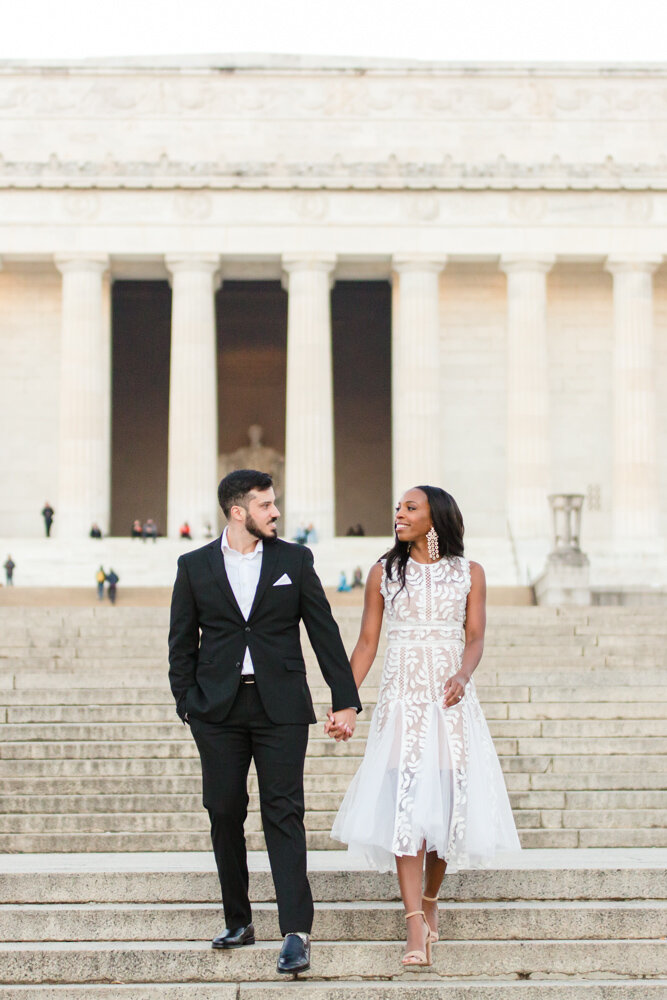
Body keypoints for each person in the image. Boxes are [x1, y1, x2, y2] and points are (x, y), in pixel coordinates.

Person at [169, 469, 361, 975]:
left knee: (283, 812)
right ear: (238, 512)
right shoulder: (194, 565)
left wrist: (345, 698)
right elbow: (181, 643)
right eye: (265, 505)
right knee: (224, 810)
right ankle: (239, 919)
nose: (276, 512)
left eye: (274, 504)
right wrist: (187, 703)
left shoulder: (294, 559)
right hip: (218, 711)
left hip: (281, 709)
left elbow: (323, 630)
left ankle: (296, 932)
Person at [331, 486, 520, 968]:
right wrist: (345, 703)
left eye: (410, 508)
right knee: (407, 806)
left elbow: (474, 638)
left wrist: (462, 673)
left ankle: (431, 896)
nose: (398, 514)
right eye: (397, 507)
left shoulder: (469, 573)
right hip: (402, 699)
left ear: (435, 518)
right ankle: (415, 924)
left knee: (449, 806)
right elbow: (368, 643)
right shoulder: (383, 572)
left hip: (450, 699)